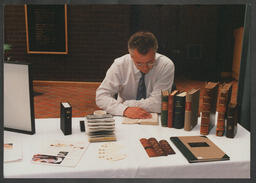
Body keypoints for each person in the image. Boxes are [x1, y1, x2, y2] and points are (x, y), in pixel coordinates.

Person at [96, 31, 174, 119]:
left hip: (154, 117)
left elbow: (159, 103)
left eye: (150, 63)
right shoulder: (120, 65)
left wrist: (127, 104)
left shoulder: (165, 65)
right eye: (139, 63)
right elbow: (101, 96)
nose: (145, 68)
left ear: (155, 53)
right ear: (131, 56)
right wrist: (125, 110)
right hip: (124, 115)